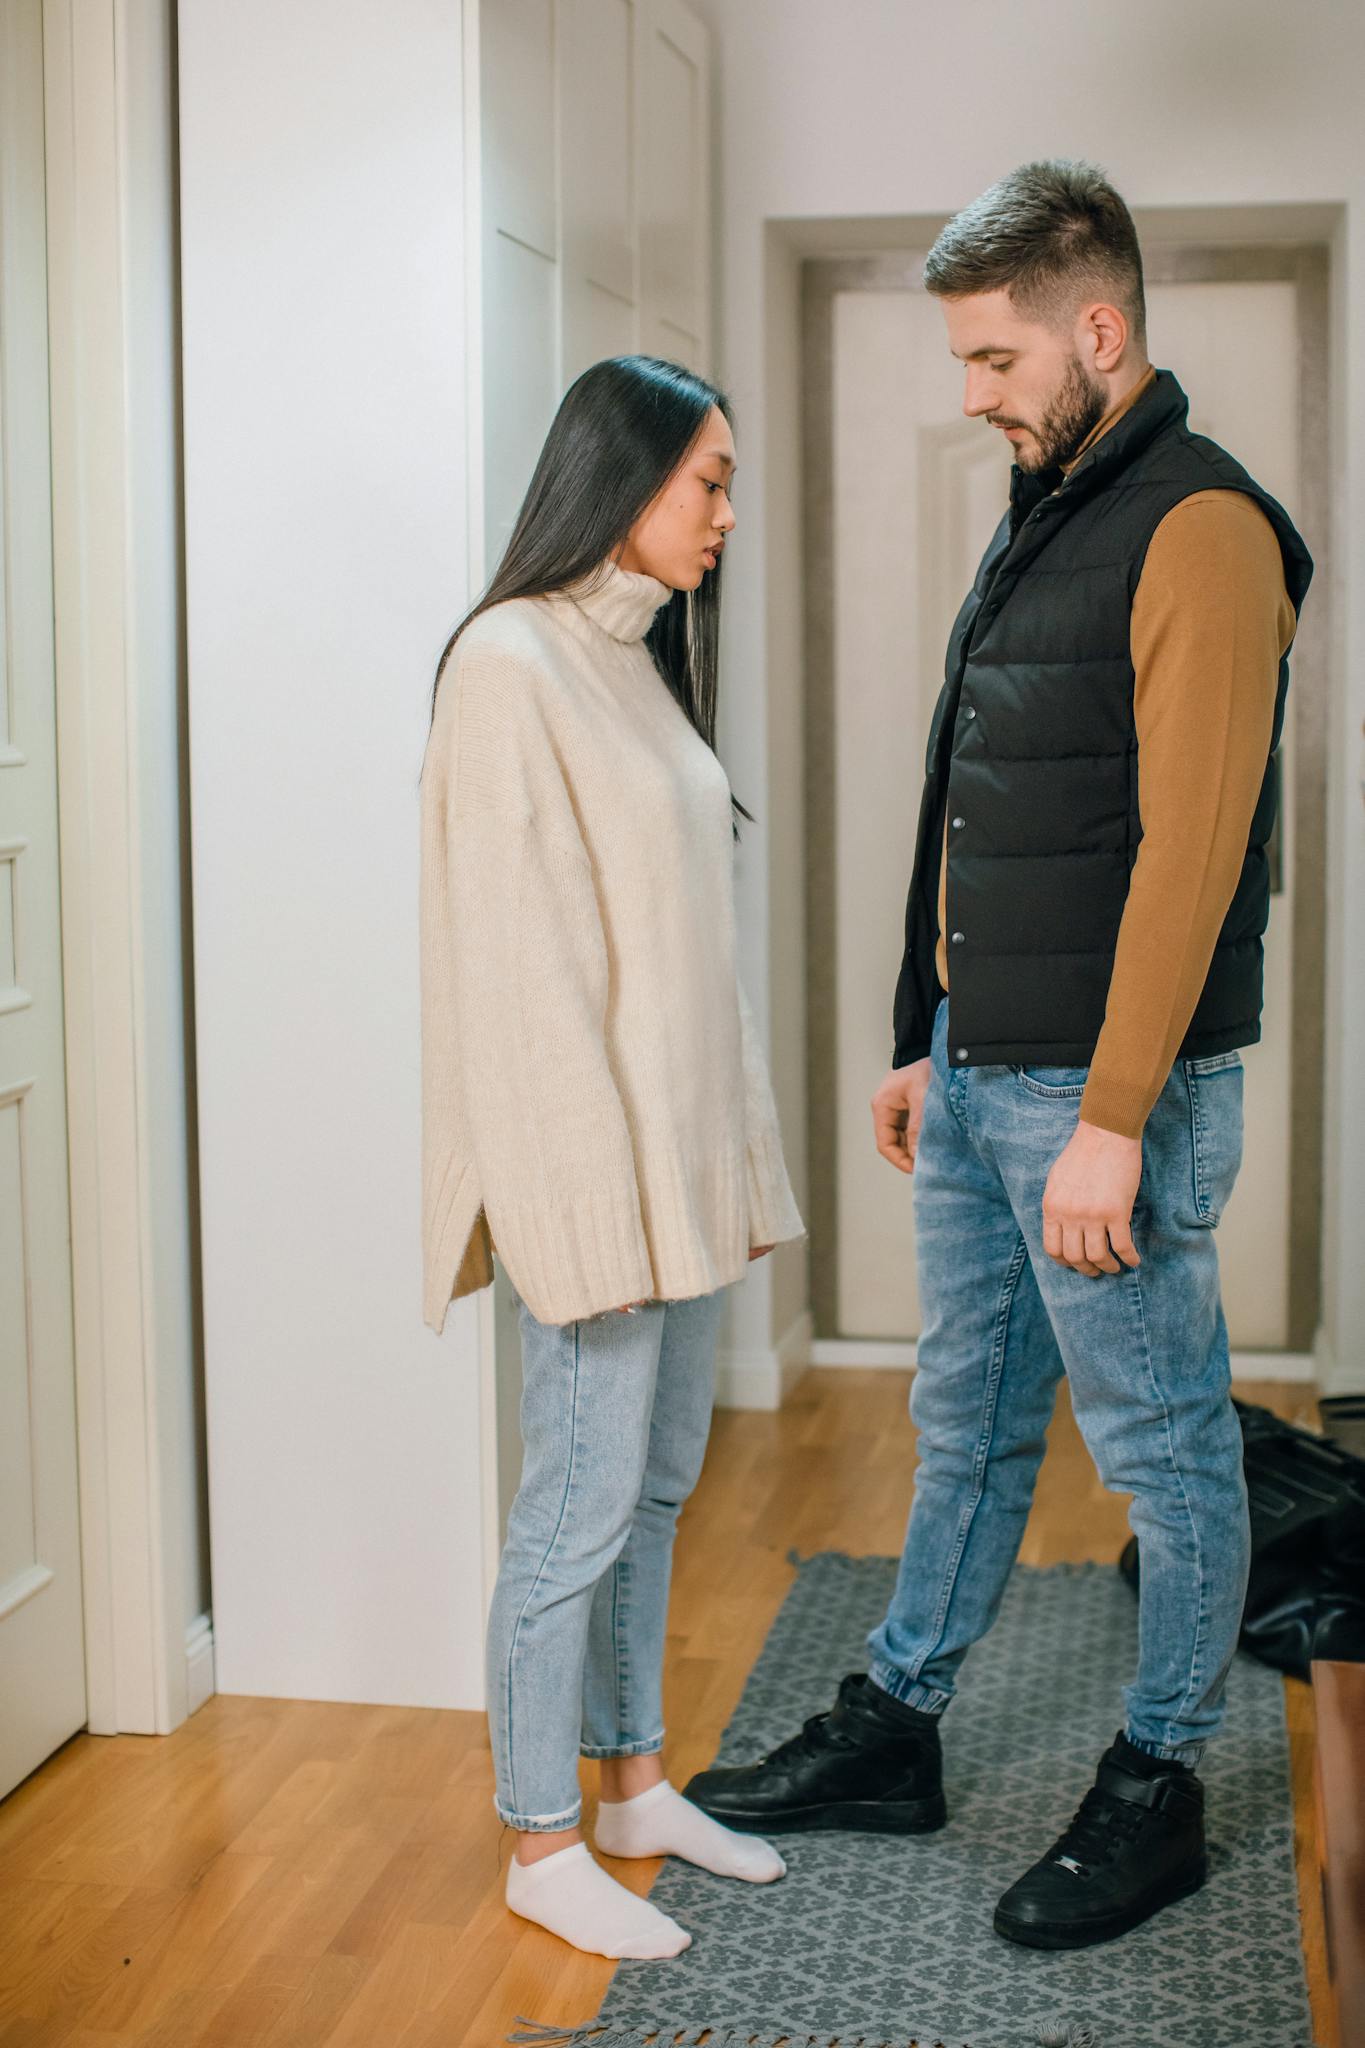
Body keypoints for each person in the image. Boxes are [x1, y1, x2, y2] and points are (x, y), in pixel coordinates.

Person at [686, 161, 1313, 1952]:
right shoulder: (1048, 509)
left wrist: (1112, 1117)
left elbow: (1191, 851)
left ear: (1096, 331)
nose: (970, 395)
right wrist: (924, 1034)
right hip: (984, 1067)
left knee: (1162, 1451)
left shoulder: (1201, 525)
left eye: (991, 359)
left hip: (1101, 1094)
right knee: (962, 1413)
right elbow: (974, 800)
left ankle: (1158, 1779)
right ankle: (898, 1722)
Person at [420, 356, 804, 1961]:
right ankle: (538, 1838)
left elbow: (689, 964)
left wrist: (737, 1176)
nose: (725, 514)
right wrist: (582, 1225)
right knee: (570, 1515)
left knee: (652, 1493)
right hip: (595, 1190)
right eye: (709, 480)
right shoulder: (508, 663)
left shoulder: (637, 658)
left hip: (684, 1177)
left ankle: (634, 1786)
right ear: (622, 474)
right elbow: (523, 986)